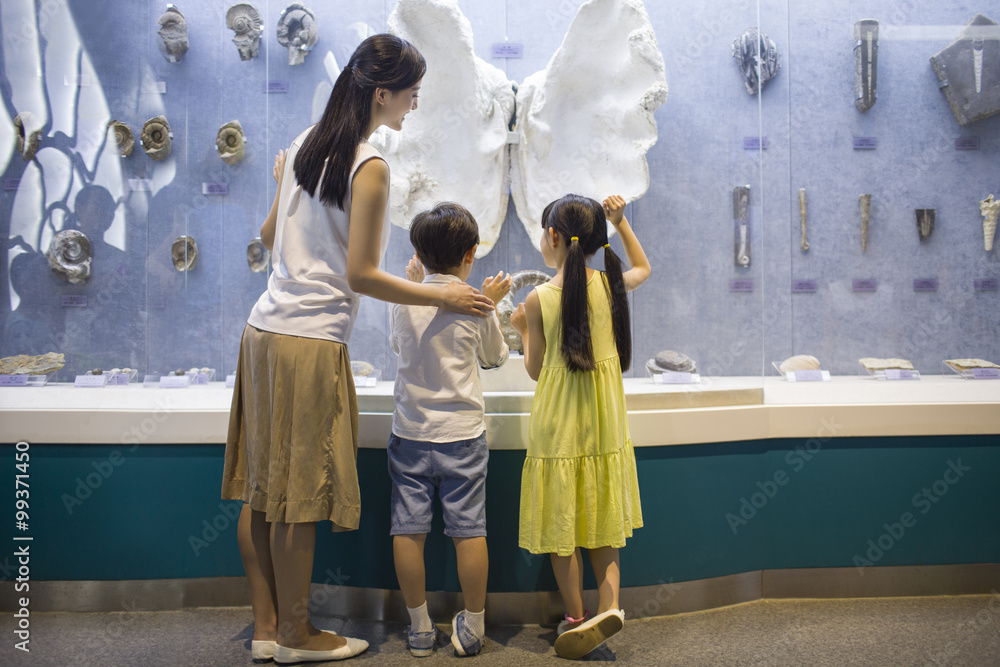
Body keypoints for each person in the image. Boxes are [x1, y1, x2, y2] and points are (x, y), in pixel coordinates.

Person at [221, 35, 494, 665]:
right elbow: (364, 275)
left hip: (262, 333)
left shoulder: (302, 144)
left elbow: (267, 235)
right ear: (381, 93)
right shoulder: (368, 165)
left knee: (262, 492)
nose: (413, 106)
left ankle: (266, 628)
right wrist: (443, 296)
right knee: (297, 496)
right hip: (309, 341)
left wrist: (282, 189)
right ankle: (296, 636)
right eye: (410, 93)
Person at [510, 194, 651, 660]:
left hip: (558, 424)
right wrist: (622, 223)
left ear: (553, 237)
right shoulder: (611, 284)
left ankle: (574, 617)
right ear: (595, 241)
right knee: (604, 518)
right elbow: (644, 268)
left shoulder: (537, 299)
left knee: (560, 525)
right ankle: (609, 607)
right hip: (603, 421)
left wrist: (522, 328)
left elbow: (535, 370)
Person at [387, 203, 512, 658]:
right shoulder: (477, 302)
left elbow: (396, 346)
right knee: (468, 530)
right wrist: (491, 307)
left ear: (418, 252)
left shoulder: (403, 297)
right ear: (471, 253)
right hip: (461, 433)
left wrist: (416, 285)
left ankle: (420, 629)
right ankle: (474, 628)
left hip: (411, 433)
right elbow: (495, 359)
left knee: (408, 529)